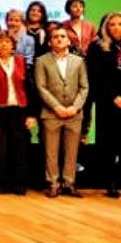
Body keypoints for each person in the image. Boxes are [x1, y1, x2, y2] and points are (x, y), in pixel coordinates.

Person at [36, 26, 89, 198]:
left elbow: (84, 87)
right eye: (55, 36)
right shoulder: (41, 61)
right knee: (51, 151)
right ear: (50, 41)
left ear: (68, 40)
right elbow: (41, 87)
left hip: (74, 114)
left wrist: (75, 107)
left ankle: (69, 182)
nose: (59, 39)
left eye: (62, 36)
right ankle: (53, 183)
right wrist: (56, 107)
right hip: (51, 113)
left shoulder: (79, 61)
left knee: (72, 151)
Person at [0, 32, 34, 195]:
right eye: (1, 42)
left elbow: (30, 89)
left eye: (7, 42)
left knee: (19, 150)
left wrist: (31, 114)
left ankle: (18, 184)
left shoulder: (22, 62)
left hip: (18, 111)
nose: (4, 45)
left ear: (13, 45)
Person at [87, 12, 121, 197]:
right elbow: (96, 78)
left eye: (120, 24)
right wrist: (114, 97)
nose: (116, 27)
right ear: (106, 27)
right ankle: (110, 183)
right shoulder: (98, 47)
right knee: (110, 144)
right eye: (112, 24)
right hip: (107, 102)